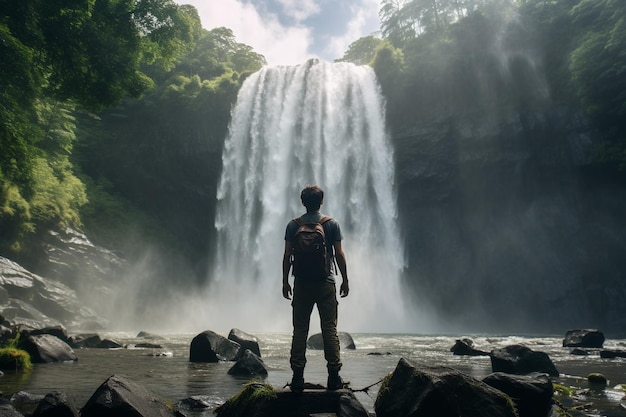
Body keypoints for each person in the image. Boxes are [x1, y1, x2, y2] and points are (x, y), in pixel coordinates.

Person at [282, 185, 349, 392]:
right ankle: (333, 377)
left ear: (303, 202)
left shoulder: (293, 226)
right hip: (326, 282)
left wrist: (285, 281)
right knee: (329, 328)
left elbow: (287, 256)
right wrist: (345, 279)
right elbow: (338, 254)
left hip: (301, 283)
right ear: (322, 201)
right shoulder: (331, 224)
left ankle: (297, 378)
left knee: (300, 329)